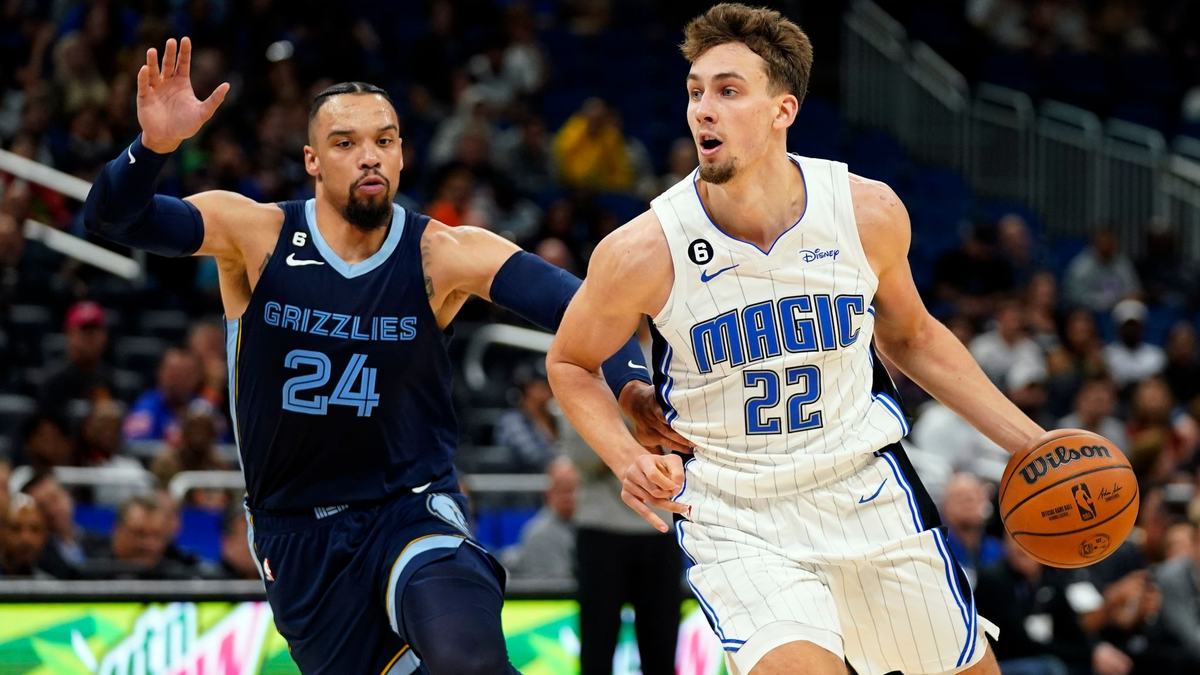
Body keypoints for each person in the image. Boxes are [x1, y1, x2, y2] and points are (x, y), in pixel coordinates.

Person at [82, 37, 674, 675]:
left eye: (384, 140)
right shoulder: (255, 234)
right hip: (296, 534)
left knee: (470, 661)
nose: (369, 155)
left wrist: (631, 388)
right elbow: (115, 219)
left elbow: (587, 306)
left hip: (410, 508)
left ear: (401, 154)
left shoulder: (441, 253)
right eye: (345, 143)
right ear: (312, 160)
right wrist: (152, 148)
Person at [546, 5, 1059, 674]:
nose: (703, 109)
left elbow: (912, 337)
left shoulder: (866, 211)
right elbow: (570, 361)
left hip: (865, 491)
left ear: (782, 110)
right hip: (735, 513)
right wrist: (624, 459)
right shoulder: (642, 250)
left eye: (729, 91)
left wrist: (1034, 443)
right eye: (695, 92)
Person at [22, 470, 109, 578]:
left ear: (68, 495)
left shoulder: (101, 542)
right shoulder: (37, 555)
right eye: (42, 506)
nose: (52, 510)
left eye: (54, 498)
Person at [502, 456, 578, 581]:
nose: (569, 497)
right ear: (548, 493)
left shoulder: (586, 527)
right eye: (562, 489)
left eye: (573, 489)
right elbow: (557, 588)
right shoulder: (541, 535)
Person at [38, 300, 117, 409]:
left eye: (96, 330)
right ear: (69, 334)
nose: (91, 338)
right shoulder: (53, 380)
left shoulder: (109, 377)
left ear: (105, 335)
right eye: (85, 331)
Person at [122, 347, 205, 444]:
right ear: (160, 372)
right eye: (174, 373)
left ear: (198, 377)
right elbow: (137, 443)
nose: (179, 380)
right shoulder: (145, 406)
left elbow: (218, 443)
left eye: (186, 374)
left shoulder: (204, 408)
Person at [0, 493, 50, 578]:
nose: (26, 539)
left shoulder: (52, 584)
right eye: (15, 529)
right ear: (2, 533)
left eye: (35, 529)